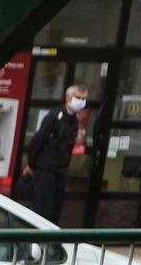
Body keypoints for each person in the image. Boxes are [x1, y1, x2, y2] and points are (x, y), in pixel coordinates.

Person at [22, 84, 90, 223]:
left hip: (60, 170)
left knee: (55, 209)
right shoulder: (54, 116)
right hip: (46, 169)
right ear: (68, 97)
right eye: (78, 98)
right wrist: (32, 164)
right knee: (42, 208)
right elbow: (38, 140)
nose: (81, 101)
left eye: (84, 99)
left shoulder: (74, 120)